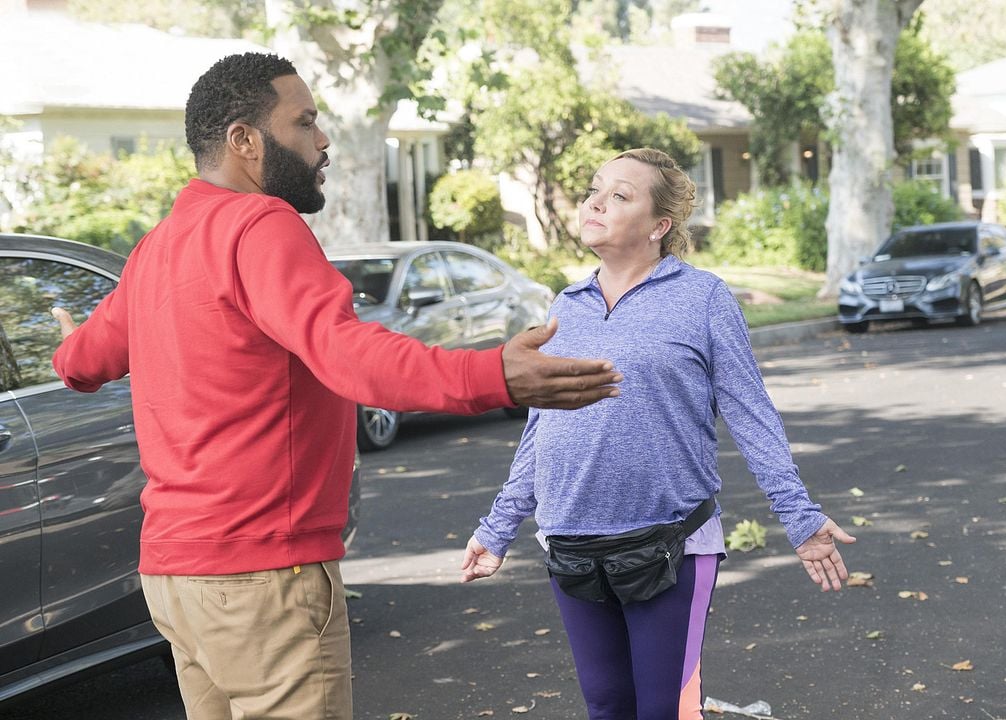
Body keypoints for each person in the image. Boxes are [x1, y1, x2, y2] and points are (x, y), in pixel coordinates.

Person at [50, 52, 621, 720]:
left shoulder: (156, 248)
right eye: (305, 122)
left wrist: (66, 344)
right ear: (244, 140)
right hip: (264, 579)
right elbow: (348, 354)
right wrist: (494, 373)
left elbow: (81, 362)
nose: (323, 140)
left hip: (176, 582)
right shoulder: (259, 226)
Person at [460, 147, 855, 720]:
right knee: (606, 704)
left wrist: (798, 516)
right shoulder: (564, 307)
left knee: (662, 709)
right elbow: (540, 429)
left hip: (670, 543)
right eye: (595, 189)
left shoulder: (702, 298)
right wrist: (498, 526)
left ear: (659, 225)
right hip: (570, 541)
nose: (596, 202)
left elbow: (751, 413)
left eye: (620, 195)